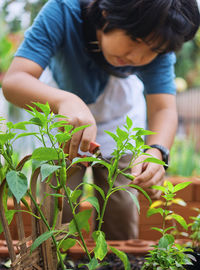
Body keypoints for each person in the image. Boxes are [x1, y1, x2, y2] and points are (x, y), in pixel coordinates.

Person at [2, 0, 200, 240]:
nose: (138, 56)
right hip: (63, 119)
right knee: (58, 205)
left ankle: (116, 267)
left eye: (153, 51)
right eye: (135, 41)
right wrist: (64, 102)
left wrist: (156, 151)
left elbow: (163, 109)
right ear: (107, 13)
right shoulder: (64, 11)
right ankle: (53, 266)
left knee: (120, 206)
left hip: (120, 122)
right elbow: (15, 80)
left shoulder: (159, 36)